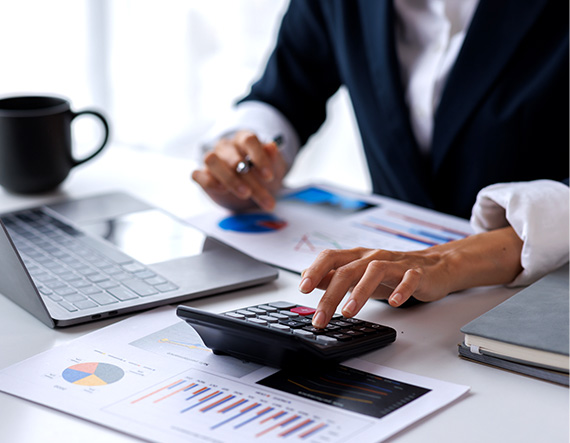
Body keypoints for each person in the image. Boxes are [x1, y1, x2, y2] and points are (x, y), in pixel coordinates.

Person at [192, 0, 569, 328]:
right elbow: (285, 92)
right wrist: (250, 158)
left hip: (543, 301)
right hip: (396, 304)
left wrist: (451, 261)